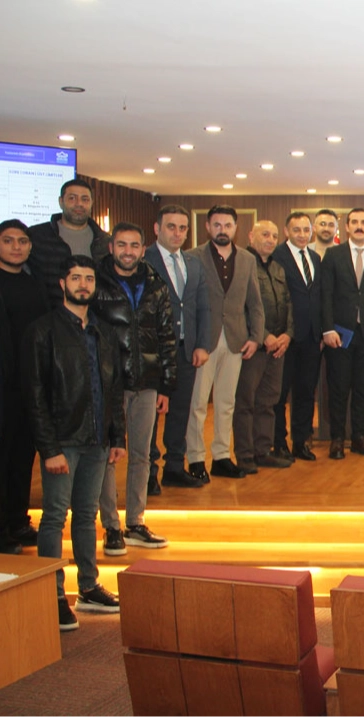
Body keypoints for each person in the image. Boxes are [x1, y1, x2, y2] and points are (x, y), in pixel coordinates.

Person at [23, 255, 125, 630]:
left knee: (86, 516)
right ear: (62, 283)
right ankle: (52, 594)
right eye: (76, 278)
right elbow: (34, 395)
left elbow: (114, 389)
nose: (83, 284)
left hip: (98, 440)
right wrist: (49, 449)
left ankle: (88, 587)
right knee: (54, 517)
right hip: (62, 441)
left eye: (89, 279)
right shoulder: (42, 331)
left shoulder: (104, 331)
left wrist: (117, 437)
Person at [93, 223, 177, 557]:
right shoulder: (96, 283)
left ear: (143, 249)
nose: (128, 251)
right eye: (122, 245)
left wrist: (166, 384)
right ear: (111, 247)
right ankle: (111, 526)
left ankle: (135, 522)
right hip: (109, 384)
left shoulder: (155, 284)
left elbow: (167, 336)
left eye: (134, 245)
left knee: (142, 454)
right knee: (107, 456)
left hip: (147, 382)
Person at [185, 205, 265, 482]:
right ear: (208, 227)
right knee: (197, 404)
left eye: (227, 225)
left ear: (235, 228)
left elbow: (255, 303)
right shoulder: (192, 257)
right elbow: (188, 303)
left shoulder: (247, 259)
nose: (222, 230)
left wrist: (256, 337)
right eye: (217, 225)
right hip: (203, 342)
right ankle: (196, 458)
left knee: (226, 402)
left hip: (235, 340)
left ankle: (221, 456)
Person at [145, 205, 211, 490]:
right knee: (148, 416)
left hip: (186, 351)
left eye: (182, 228)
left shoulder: (193, 263)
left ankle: (174, 467)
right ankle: (148, 473)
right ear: (157, 228)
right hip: (153, 352)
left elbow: (203, 307)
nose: (177, 233)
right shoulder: (144, 260)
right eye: (171, 227)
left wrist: (202, 344)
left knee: (180, 412)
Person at [321, 208, 364, 458]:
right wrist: (327, 328)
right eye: (355, 222)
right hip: (339, 334)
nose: (359, 226)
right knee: (338, 389)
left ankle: (358, 437)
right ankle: (337, 439)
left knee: (362, 389)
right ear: (347, 227)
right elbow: (325, 294)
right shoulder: (333, 255)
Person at [0, 219, 50, 553]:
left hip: (30, 386)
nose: (16, 247)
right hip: (3, 386)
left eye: (22, 241)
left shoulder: (35, 284)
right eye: (8, 241)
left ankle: (18, 521)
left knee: (22, 457)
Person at [234, 221, 293, 474]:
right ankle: (245, 454)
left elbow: (288, 303)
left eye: (274, 236)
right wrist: (265, 335)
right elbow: (242, 306)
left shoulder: (278, 268)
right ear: (251, 236)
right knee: (246, 402)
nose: (270, 239)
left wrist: (287, 335)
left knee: (268, 401)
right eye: (265, 234)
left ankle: (263, 450)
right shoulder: (242, 264)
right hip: (254, 347)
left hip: (278, 348)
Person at [272, 212, 321, 462]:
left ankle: (300, 442)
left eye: (306, 230)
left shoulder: (314, 257)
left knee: (305, 392)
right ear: (286, 231)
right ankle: (278, 443)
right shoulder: (276, 257)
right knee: (279, 395)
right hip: (286, 337)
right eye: (296, 230)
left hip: (312, 337)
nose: (302, 235)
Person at [27, 178, 111, 307]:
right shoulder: (37, 236)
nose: (79, 204)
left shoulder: (104, 241)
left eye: (85, 199)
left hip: (93, 315)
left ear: (92, 203)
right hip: (48, 313)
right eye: (72, 198)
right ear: (61, 202)